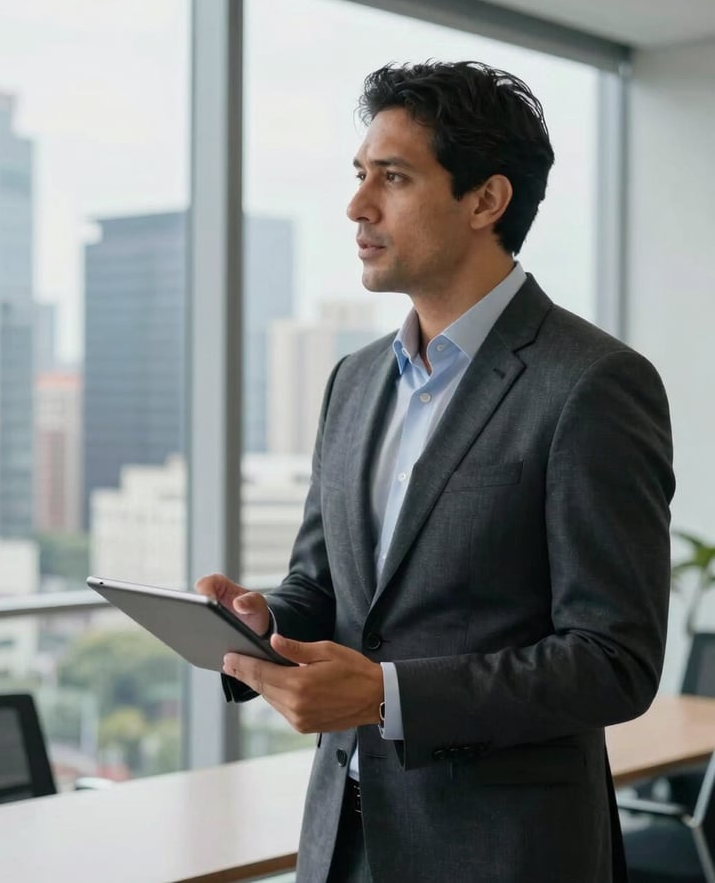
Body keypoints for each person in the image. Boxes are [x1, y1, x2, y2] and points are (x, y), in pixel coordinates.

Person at [196, 61, 674, 883]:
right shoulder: (353, 380)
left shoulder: (592, 384)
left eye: (395, 177)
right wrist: (263, 618)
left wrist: (388, 694)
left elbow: (613, 661)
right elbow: (327, 585)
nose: (357, 206)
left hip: (504, 853)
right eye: (359, 175)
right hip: (340, 841)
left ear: (486, 201)